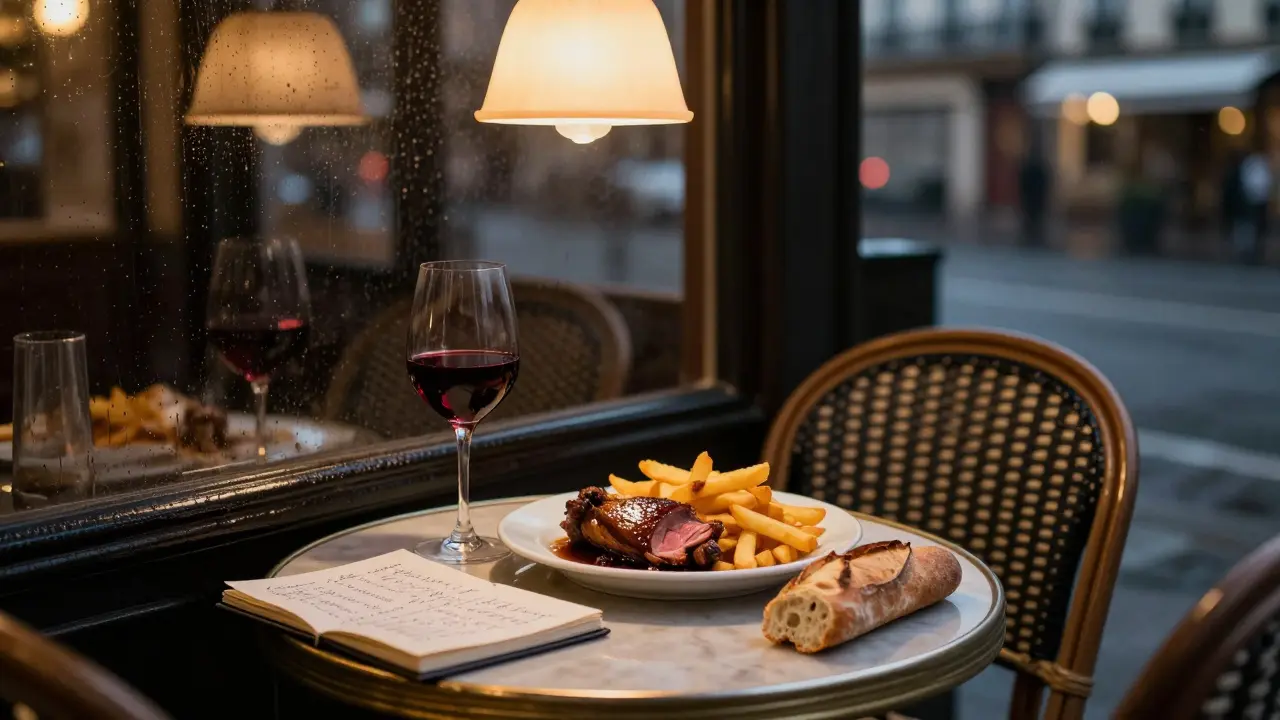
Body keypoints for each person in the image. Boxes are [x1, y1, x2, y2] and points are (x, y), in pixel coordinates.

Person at [1234, 149, 1272, 264]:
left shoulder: (1255, 165)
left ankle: (1254, 250)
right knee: (1251, 225)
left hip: (1257, 200)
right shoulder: (1252, 165)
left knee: (1256, 226)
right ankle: (1250, 250)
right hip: (1253, 200)